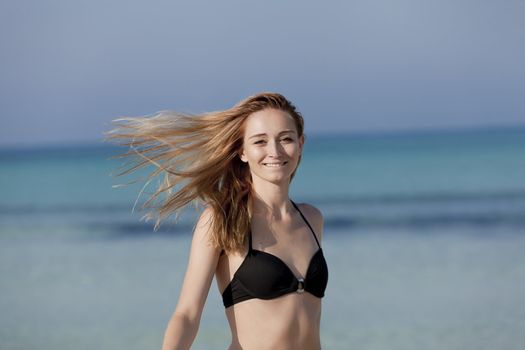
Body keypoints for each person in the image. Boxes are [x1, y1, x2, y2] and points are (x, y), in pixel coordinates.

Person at [105, 92, 329, 349]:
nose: (275, 151)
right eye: (260, 141)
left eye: (286, 139)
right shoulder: (222, 219)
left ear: (301, 144)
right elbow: (187, 314)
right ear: (242, 152)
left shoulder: (312, 219)